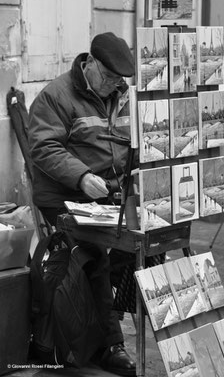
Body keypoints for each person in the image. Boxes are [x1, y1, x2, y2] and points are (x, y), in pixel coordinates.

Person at [28, 32, 136, 376]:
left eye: (118, 80)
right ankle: (109, 345)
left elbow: (126, 145)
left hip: (105, 193)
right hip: (62, 194)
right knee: (95, 249)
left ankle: (98, 325)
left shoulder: (121, 94)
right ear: (88, 64)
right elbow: (44, 149)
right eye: (107, 77)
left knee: (140, 244)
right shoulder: (55, 96)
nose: (112, 85)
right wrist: (82, 177)